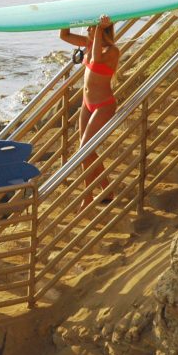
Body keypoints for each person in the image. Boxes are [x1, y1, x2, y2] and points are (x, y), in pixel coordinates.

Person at [59, 14, 120, 209]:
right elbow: (64, 35)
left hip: (103, 105)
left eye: (90, 28)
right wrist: (66, 13)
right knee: (86, 150)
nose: (87, 31)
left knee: (84, 150)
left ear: (101, 30)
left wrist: (99, 29)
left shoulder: (112, 51)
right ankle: (104, 190)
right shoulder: (89, 42)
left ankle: (89, 196)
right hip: (87, 103)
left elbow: (96, 58)